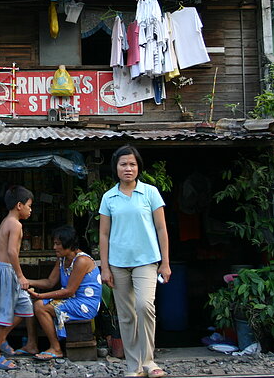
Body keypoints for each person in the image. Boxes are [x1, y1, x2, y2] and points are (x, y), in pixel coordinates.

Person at [99, 145, 171, 378]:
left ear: (138, 167)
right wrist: (105, 267)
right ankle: (134, 367)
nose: (128, 168)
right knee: (127, 315)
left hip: (147, 261)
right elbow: (104, 235)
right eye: (123, 164)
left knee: (144, 306)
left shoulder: (150, 193)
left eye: (132, 164)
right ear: (116, 168)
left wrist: (166, 262)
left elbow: (161, 229)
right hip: (118, 264)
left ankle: (149, 361)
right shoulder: (109, 197)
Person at [26, 225, 102, 361]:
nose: (55, 247)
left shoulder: (82, 261)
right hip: (71, 300)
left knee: (40, 306)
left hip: (84, 304)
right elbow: (50, 282)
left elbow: (69, 291)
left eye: (58, 244)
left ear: (69, 244)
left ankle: (56, 348)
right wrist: (27, 281)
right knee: (34, 304)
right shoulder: (62, 259)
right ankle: (32, 344)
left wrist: (40, 296)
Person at [0, 185, 35, 370]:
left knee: (25, 308)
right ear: (19, 205)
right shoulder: (15, 224)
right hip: (6, 271)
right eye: (29, 205)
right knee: (4, 316)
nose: (31, 210)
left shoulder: (8, 221)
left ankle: (1, 339)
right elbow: (12, 252)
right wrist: (20, 276)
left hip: (8, 271)